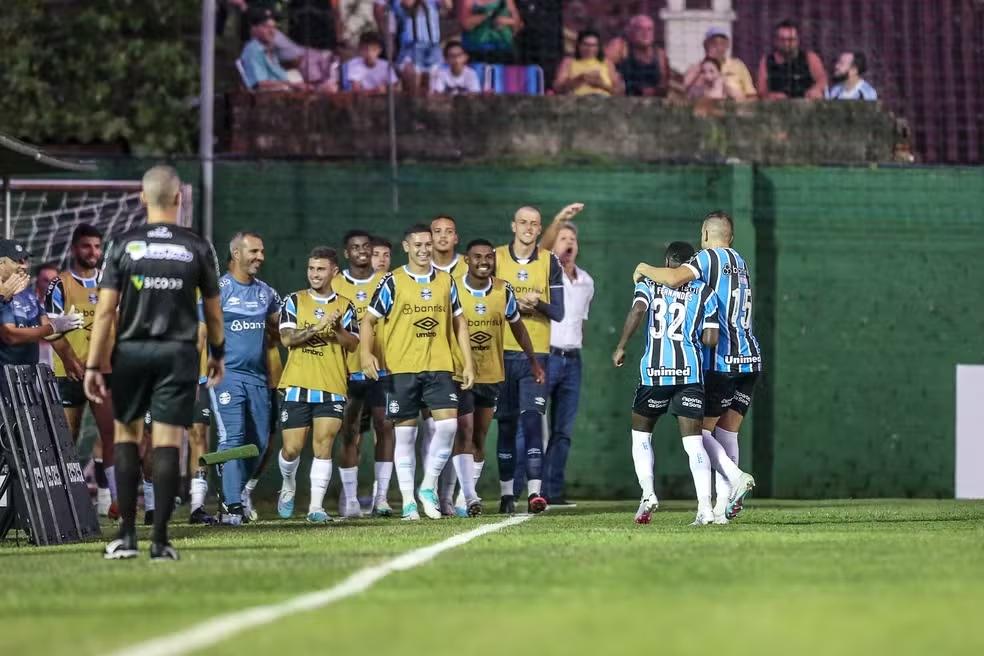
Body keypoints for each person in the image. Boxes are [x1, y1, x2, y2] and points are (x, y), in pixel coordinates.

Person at [85, 165, 224, 561]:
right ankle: (161, 540)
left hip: (131, 352)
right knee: (169, 442)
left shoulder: (122, 245)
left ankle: (127, 538)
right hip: (178, 354)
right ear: (179, 198)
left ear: (142, 198)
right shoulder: (197, 246)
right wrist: (217, 355)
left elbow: (106, 312)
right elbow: (213, 314)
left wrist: (94, 366)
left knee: (127, 437)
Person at [634, 211, 760, 522]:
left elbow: (675, 277)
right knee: (727, 433)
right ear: (730, 237)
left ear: (705, 235)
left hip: (722, 361)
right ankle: (722, 509)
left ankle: (733, 479)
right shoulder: (740, 262)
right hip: (750, 359)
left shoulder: (708, 258)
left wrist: (644, 269)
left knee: (699, 432)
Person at [360, 224, 475, 520]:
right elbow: (368, 321)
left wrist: (469, 361)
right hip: (402, 369)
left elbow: (460, 322)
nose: (424, 250)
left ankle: (427, 486)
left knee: (448, 427)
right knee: (406, 437)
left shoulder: (447, 281)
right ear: (407, 247)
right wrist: (365, 352)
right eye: (418, 245)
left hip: (440, 367)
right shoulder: (393, 281)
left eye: (428, 244)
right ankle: (409, 501)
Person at [614, 242, 721, 525]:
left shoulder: (649, 284)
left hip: (655, 373)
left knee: (641, 435)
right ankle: (706, 508)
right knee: (694, 443)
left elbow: (638, 311)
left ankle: (648, 493)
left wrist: (622, 345)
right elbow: (711, 340)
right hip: (690, 374)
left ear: (666, 261)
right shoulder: (706, 293)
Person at [450, 238, 542, 517]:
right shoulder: (452, 288)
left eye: (489, 257)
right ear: (467, 259)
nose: (483, 261)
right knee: (462, 433)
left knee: (479, 437)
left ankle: (464, 496)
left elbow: (518, 328)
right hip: (460, 372)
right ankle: (467, 496)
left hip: (491, 373)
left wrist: (533, 361)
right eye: (477, 256)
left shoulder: (503, 290)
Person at [276, 247, 359, 524]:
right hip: (297, 384)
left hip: (331, 385)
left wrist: (336, 329)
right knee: (292, 449)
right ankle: (288, 484)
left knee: (324, 445)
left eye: (320, 269)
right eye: (311, 268)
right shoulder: (294, 301)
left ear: (334, 272)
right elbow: (287, 339)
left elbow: (353, 344)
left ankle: (315, 507)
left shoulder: (346, 306)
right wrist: (318, 326)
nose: (314, 274)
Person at [494, 206, 566, 514]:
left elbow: (559, 312)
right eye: (523, 222)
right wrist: (511, 305)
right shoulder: (494, 258)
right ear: (513, 225)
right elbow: (481, 301)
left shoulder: (550, 262)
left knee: (533, 419)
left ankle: (536, 493)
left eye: (534, 224)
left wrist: (538, 305)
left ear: (540, 230)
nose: (528, 227)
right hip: (499, 352)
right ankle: (506, 494)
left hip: (536, 353)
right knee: (506, 425)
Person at [43, 225, 119, 518]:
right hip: (69, 372)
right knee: (67, 437)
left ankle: (114, 500)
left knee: (110, 434)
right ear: (75, 249)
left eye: (98, 246)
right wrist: (72, 360)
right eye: (87, 246)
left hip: (104, 372)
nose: (93, 252)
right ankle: (62, 502)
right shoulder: (59, 284)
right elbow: (50, 329)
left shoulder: (110, 283)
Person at [212, 231, 281, 525]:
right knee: (233, 439)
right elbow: (201, 333)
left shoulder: (267, 293)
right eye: (254, 251)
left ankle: (232, 483)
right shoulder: (218, 290)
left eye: (262, 252)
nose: (260, 257)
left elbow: (281, 330)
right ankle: (230, 505)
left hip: (258, 379)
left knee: (260, 444)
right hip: (226, 375)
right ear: (236, 254)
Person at [333, 230, 395, 518]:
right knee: (350, 431)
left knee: (385, 426)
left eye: (366, 247)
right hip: (347, 369)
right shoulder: (335, 284)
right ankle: (350, 499)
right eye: (355, 247)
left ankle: (381, 497)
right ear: (347, 253)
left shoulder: (387, 282)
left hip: (382, 368)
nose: (361, 251)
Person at [539, 218, 593, 506]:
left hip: (573, 361)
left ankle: (553, 491)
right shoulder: (546, 275)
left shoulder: (587, 282)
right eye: (563, 238)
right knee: (536, 427)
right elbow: (541, 250)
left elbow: (579, 324)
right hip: (546, 357)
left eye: (573, 238)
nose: (569, 242)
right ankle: (530, 487)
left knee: (563, 431)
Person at [429, 214, 466, 512]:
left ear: (456, 237)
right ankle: (423, 491)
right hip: (419, 363)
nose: (442, 236)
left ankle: (448, 496)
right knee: (424, 432)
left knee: (453, 431)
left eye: (448, 232)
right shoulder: (412, 274)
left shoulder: (469, 266)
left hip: (455, 363)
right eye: (436, 232)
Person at [0, 241, 82, 367]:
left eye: (25, 260)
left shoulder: (29, 295)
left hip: (28, 379)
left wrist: (69, 358)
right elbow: (10, 336)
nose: (24, 266)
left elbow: (49, 329)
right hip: (5, 378)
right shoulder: (3, 297)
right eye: (17, 261)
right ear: (1, 263)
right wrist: (53, 327)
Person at [388, 0, 453, 95]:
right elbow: (407, 4)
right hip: (411, 46)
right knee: (414, 80)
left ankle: (427, 107)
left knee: (431, 85)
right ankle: (414, 106)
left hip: (432, 45)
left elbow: (448, 5)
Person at [756, 19, 827, 100]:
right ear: (775, 41)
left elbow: (822, 81)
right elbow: (761, 91)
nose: (786, 44)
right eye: (782, 40)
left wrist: (816, 90)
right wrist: (771, 96)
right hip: (777, 108)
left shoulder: (810, 58)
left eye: (790, 40)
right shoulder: (766, 61)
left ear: (798, 40)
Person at [240, 9, 306, 91]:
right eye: (266, 26)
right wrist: (291, 84)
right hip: (272, 95)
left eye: (274, 27)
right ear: (254, 29)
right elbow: (260, 84)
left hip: (282, 87)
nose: (272, 31)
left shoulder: (268, 46)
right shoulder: (253, 51)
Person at [683, 28, 756, 100]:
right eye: (714, 43)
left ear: (727, 45)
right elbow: (683, 90)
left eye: (722, 43)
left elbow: (751, 95)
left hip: (734, 107)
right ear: (705, 45)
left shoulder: (737, 65)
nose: (719, 47)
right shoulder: (697, 68)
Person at [607, 14, 668, 98]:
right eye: (640, 29)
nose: (645, 34)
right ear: (630, 31)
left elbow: (664, 82)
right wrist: (615, 80)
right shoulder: (620, 47)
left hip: (652, 101)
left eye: (649, 29)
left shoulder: (659, 54)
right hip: (625, 99)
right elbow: (605, 63)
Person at [554, 30, 619, 96]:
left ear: (598, 47)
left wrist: (601, 84)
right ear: (578, 45)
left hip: (604, 101)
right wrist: (579, 79)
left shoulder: (607, 63)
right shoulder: (568, 62)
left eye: (593, 45)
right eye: (586, 45)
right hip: (576, 101)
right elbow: (558, 88)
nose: (589, 49)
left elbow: (619, 91)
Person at [457, 0, 523, 64]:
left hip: (504, 48)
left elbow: (519, 23)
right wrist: (486, 16)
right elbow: (465, 24)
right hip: (476, 48)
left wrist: (505, 21)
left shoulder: (508, 1)